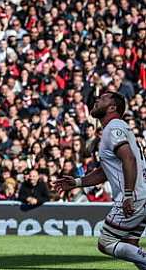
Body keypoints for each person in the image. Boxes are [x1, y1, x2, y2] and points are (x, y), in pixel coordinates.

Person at [54, 92, 146, 268]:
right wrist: (77, 182)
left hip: (134, 196)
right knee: (130, 246)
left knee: (106, 243)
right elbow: (106, 172)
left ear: (112, 108)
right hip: (141, 194)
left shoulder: (113, 128)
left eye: (103, 99)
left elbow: (129, 159)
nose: (97, 100)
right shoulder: (118, 129)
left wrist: (128, 195)